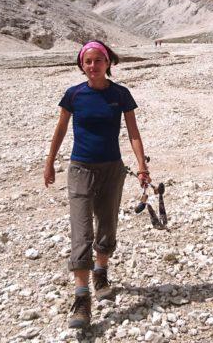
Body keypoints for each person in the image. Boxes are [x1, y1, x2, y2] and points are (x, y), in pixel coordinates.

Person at [44, 40, 151, 330]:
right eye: (87, 61)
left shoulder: (120, 94)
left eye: (97, 60)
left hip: (112, 170)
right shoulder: (74, 95)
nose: (92, 66)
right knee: (81, 232)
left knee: (107, 225)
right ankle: (82, 298)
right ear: (82, 65)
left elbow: (133, 132)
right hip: (80, 169)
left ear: (108, 63)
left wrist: (142, 166)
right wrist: (50, 161)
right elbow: (61, 128)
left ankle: (101, 272)